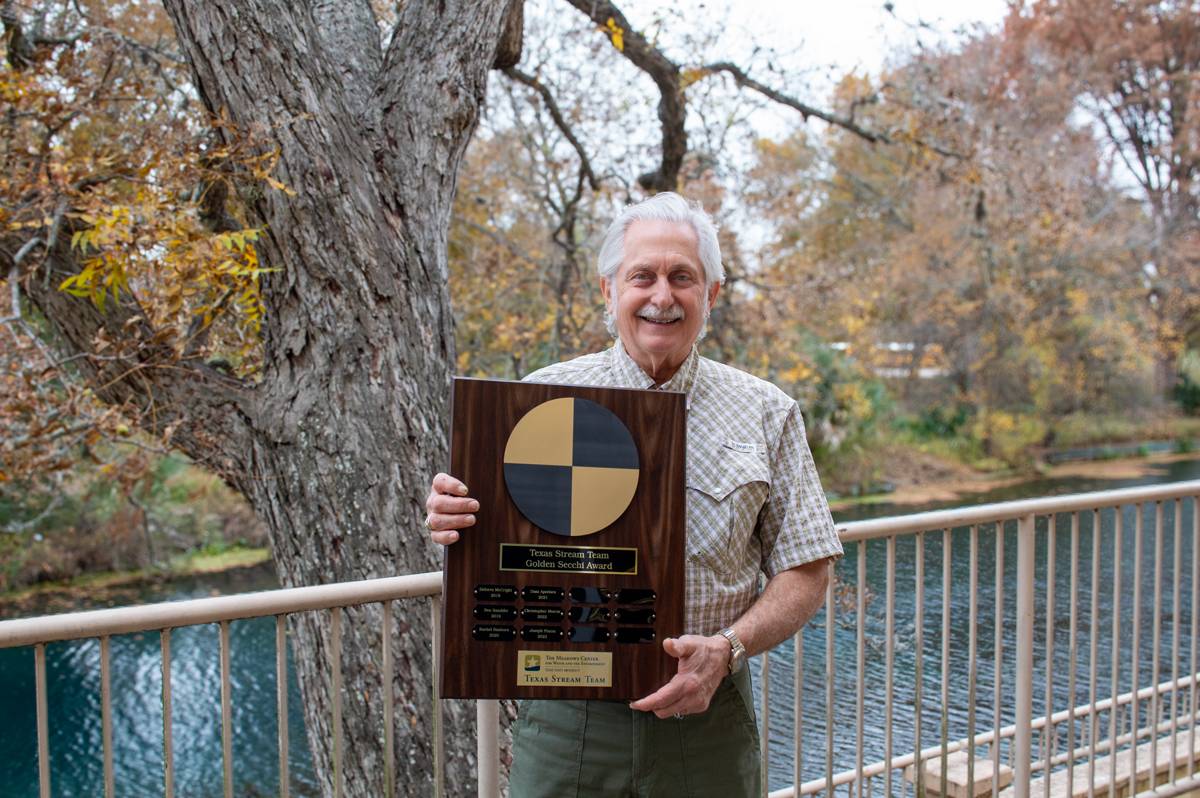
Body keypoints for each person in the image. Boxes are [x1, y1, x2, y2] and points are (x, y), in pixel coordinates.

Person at [425, 192, 843, 797]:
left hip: (707, 716)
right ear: (609, 289)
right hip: (567, 722)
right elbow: (480, 542)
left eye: (683, 278)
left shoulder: (766, 412)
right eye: (641, 276)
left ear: (712, 295)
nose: (662, 296)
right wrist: (450, 516)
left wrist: (728, 649)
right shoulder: (535, 401)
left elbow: (807, 567)